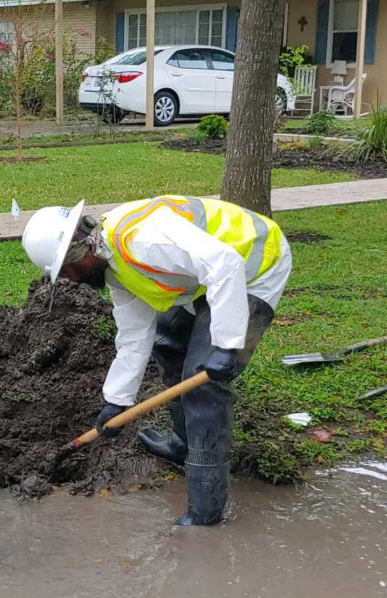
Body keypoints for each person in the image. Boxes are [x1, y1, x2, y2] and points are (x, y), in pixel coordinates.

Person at [22, 195, 292, 525]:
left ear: (79, 255)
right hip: (206, 277)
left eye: (66, 273)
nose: (70, 282)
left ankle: (206, 513)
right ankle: (184, 445)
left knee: (203, 386)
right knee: (166, 342)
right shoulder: (115, 267)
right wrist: (116, 401)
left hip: (255, 263)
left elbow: (225, 263)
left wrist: (227, 344)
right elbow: (135, 336)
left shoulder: (142, 240)